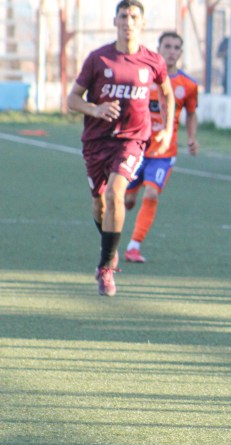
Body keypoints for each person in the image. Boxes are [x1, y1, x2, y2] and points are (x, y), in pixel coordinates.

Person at [66, 0, 173, 296]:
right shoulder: (98, 59)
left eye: (134, 16)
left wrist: (167, 129)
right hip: (96, 142)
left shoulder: (152, 61)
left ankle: (106, 268)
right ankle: (109, 247)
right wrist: (95, 109)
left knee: (116, 193)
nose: (128, 21)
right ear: (115, 21)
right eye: (123, 16)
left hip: (132, 139)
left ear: (142, 23)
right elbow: (72, 100)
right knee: (99, 204)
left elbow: (167, 93)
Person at [122, 31, 198, 264]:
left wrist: (192, 137)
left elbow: (192, 114)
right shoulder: (143, 77)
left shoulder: (188, 85)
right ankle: (129, 195)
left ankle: (134, 246)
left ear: (181, 53)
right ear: (159, 48)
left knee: (152, 192)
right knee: (126, 200)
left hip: (164, 151)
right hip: (137, 146)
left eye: (176, 47)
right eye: (168, 46)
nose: (172, 51)